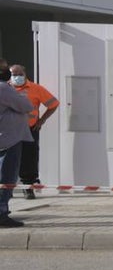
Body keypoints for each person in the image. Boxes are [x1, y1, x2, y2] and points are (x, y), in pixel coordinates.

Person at [9, 64, 59, 200]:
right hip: (9, 130)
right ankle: (6, 189)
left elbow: (53, 104)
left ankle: (28, 187)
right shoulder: (5, 88)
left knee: (29, 158)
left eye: (19, 74)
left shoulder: (36, 89)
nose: (16, 77)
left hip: (29, 129)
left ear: (25, 74)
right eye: (14, 74)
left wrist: (41, 121)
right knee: (8, 159)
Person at [0, 59, 33, 228]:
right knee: (6, 177)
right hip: (8, 139)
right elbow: (26, 105)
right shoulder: (4, 88)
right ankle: (2, 214)